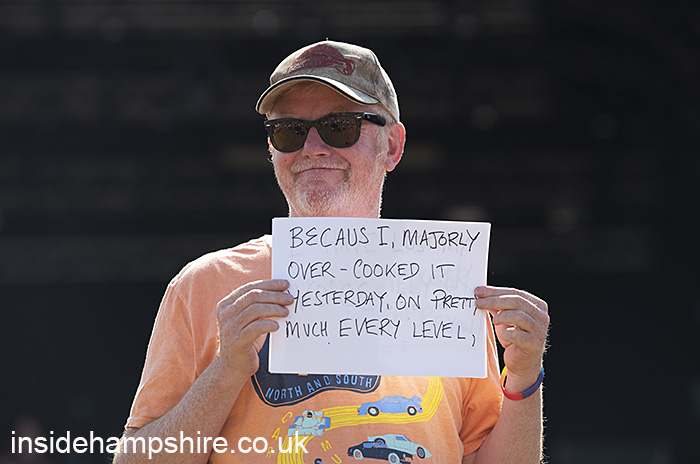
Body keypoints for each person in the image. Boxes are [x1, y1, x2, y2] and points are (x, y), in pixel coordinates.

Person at [114, 40, 550, 464]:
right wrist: (225, 370)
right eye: (288, 131)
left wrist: (525, 377)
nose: (312, 148)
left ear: (392, 146)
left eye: (340, 126)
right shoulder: (202, 286)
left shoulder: (447, 290)